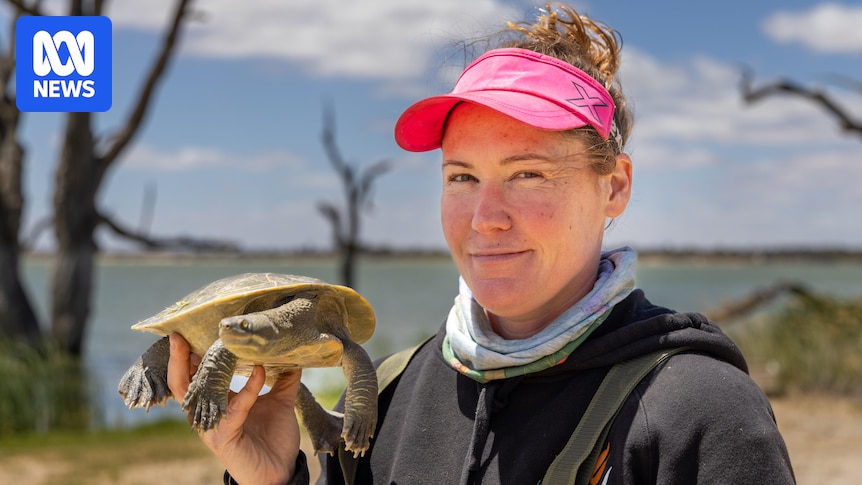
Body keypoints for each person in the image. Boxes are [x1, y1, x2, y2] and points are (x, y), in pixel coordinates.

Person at [167, 3, 795, 484]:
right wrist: (269, 477)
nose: (486, 218)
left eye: (529, 174)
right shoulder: (387, 394)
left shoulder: (699, 413)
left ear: (615, 187)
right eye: (462, 177)